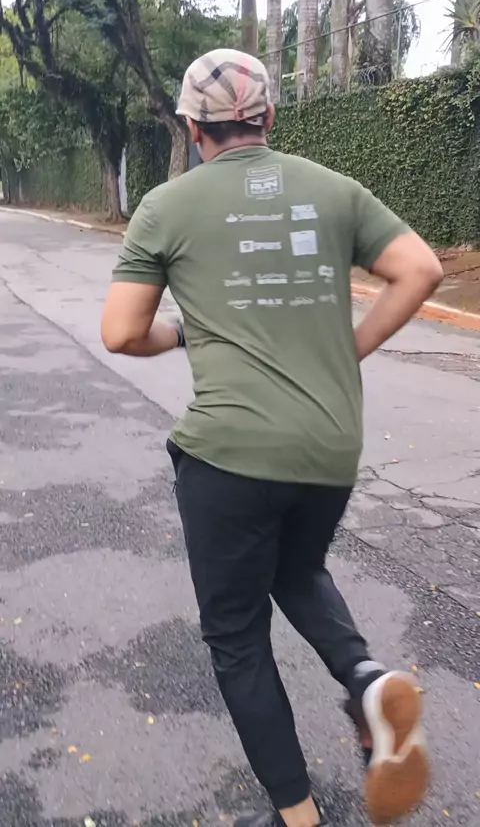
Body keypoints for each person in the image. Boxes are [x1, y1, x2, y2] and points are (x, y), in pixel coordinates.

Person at [102, 49, 443, 827]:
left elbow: (120, 332)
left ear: (192, 128)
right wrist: (346, 351)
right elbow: (421, 270)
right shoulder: (334, 190)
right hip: (329, 447)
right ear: (271, 117)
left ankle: (297, 812)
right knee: (296, 568)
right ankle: (367, 680)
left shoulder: (166, 205)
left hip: (228, 455)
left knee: (236, 638)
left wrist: (185, 332)